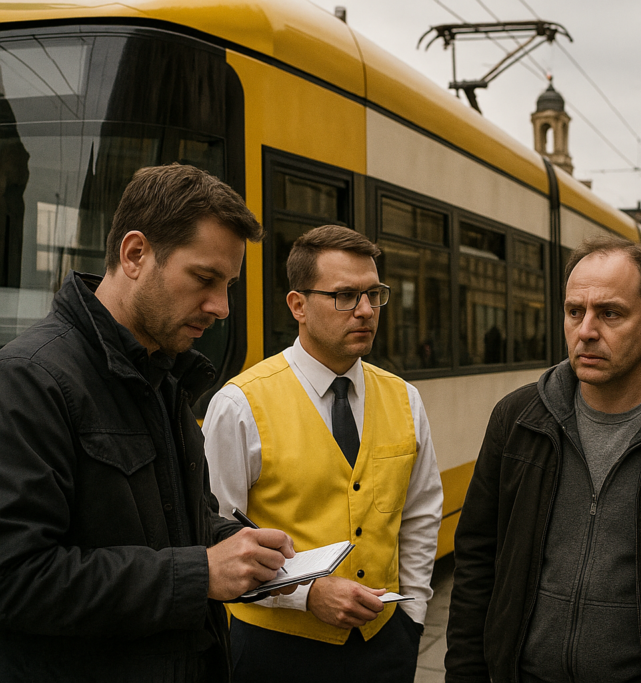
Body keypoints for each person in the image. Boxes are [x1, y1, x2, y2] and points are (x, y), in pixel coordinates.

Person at [0, 163, 297, 682]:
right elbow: (18, 578)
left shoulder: (162, 371)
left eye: (228, 284)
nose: (222, 307)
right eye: (205, 278)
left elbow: (182, 520)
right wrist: (201, 574)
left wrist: (243, 548)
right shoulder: (30, 379)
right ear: (135, 254)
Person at [445, 236, 641, 683]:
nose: (586, 330)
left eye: (610, 313)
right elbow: (476, 559)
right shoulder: (517, 419)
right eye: (575, 312)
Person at [203, 225, 443, 682]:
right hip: (275, 651)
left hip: (385, 645)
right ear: (298, 306)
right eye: (346, 296)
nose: (366, 311)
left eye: (374, 294)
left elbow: (420, 515)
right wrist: (305, 595)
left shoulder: (404, 398)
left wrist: (411, 617)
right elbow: (217, 538)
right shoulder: (240, 405)